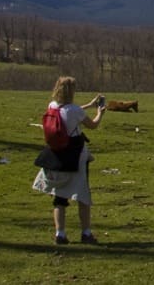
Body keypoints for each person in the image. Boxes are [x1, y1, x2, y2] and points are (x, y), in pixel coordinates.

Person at [32, 76, 106, 245]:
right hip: (75, 156)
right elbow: (92, 125)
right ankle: (86, 233)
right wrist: (99, 113)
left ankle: (60, 233)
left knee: (59, 198)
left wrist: (88, 104)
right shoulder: (74, 111)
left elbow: (68, 112)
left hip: (55, 156)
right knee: (82, 195)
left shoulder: (52, 106)